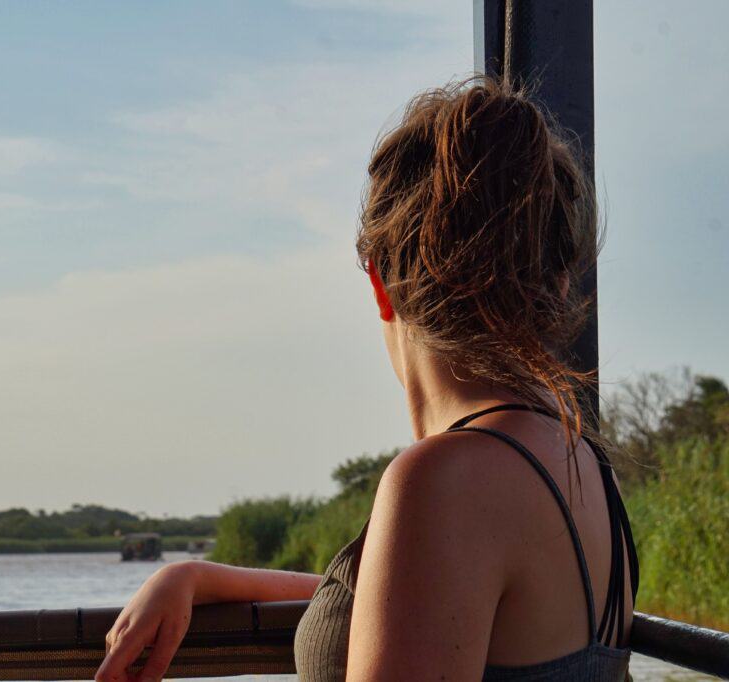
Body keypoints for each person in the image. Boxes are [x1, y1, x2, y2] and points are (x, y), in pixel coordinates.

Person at [94, 77, 638, 682]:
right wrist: (197, 575)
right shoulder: (582, 463)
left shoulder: (444, 481)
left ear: (380, 282)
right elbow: (424, 595)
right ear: (559, 284)